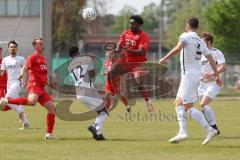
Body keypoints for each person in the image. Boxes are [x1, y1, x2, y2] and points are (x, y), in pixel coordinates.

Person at [158, 17, 222, 145]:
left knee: (186, 106)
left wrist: (164, 58)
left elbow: (178, 48)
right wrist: (217, 76)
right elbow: (210, 58)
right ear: (197, 27)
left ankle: (209, 129)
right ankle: (182, 131)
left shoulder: (186, 36)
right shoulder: (200, 40)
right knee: (178, 103)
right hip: (195, 76)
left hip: (189, 76)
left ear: (188, 25)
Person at [0, 38, 55, 139]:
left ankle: (49, 134)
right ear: (35, 46)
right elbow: (25, 67)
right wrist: (21, 74)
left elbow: (42, 73)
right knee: (31, 102)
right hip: (32, 84)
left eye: (42, 44)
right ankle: (9, 103)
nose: (42, 45)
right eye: (40, 44)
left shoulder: (42, 59)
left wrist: (48, 83)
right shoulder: (32, 57)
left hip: (30, 85)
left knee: (51, 107)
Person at [108, 15, 155, 112]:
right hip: (125, 61)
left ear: (138, 24)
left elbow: (142, 51)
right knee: (111, 73)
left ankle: (148, 102)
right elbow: (119, 45)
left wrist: (128, 50)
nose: (130, 25)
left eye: (133, 23)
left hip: (137, 63)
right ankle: (113, 97)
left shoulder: (143, 36)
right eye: (130, 23)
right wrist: (116, 51)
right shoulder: (125, 33)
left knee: (138, 83)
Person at [68, 46, 107, 140]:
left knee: (100, 111)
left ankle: (97, 134)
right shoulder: (87, 59)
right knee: (103, 112)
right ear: (78, 52)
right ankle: (94, 127)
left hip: (79, 92)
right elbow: (92, 74)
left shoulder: (69, 66)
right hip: (87, 90)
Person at [198, 32, 226, 135]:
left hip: (213, 83)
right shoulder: (200, 54)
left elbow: (223, 66)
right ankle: (215, 129)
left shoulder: (216, 52)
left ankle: (213, 129)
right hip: (201, 85)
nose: (201, 43)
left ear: (208, 41)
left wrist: (211, 74)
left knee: (203, 104)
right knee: (203, 108)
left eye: (203, 41)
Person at [0, 41, 30, 129]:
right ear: (8, 48)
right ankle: (25, 122)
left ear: (17, 48)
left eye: (14, 47)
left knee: (6, 98)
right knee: (13, 102)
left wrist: (26, 81)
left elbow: (26, 70)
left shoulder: (21, 59)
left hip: (18, 82)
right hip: (9, 84)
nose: (12, 48)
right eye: (11, 47)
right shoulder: (5, 59)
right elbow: (2, 73)